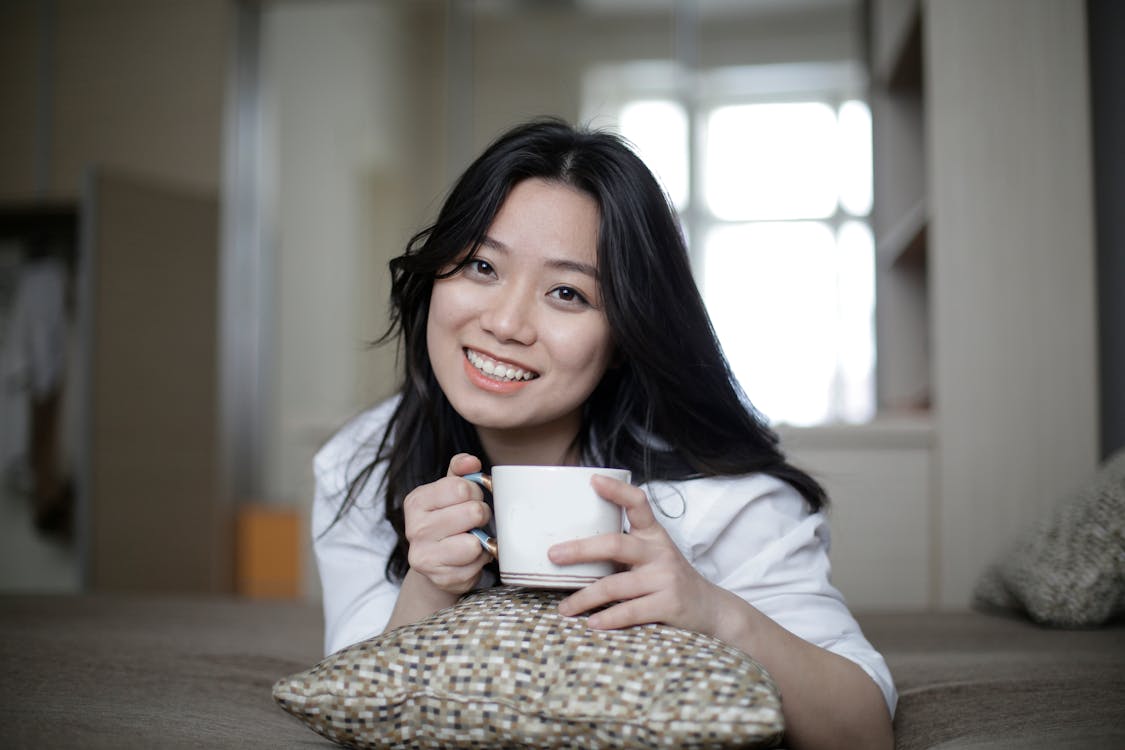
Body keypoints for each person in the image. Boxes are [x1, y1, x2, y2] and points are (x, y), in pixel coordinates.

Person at [313, 117, 896, 749]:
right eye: (482, 265)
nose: (506, 323)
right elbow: (353, 704)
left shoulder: (725, 496)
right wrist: (428, 586)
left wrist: (711, 610)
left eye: (567, 293)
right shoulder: (364, 460)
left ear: (624, 335)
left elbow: (864, 729)